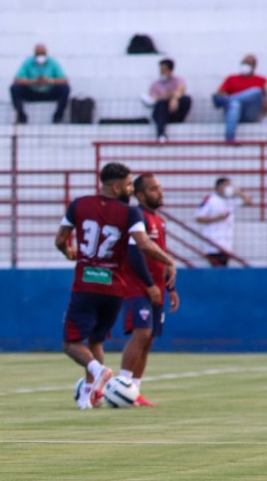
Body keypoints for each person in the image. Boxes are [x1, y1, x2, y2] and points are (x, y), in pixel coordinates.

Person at [54, 162, 176, 410]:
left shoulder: (79, 204)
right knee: (96, 341)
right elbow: (142, 244)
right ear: (117, 185)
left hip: (85, 284)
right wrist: (169, 259)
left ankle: (97, 371)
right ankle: (90, 394)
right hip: (114, 288)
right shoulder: (130, 213)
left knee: (70, 343)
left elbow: (60, 239)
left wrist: (68, 251)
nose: (131, 189)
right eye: (130, 184)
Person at [118, 174, 180, 407]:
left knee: (149, 339)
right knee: (141, 333)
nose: (160, 192)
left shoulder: (159, 221)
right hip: (138, 286)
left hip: (158, 288)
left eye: (160, 188)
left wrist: (170, 288)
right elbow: (135, 253)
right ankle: (121, 385)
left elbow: (161, 258)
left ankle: (134, 391)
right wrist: (149, 285)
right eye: (154, 189)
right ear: (140, 195)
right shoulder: (137, 218)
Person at [195, 177, 253, 267]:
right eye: (226, 185)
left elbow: (248, 202)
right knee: (217, 268)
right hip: (212, 243)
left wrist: (240, 193)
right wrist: (216, 218)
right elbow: (198, 218)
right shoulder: (210, 199)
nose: (229, 188)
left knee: (223, 268)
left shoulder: (230, 199)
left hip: (226, 243)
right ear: (218, 187)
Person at [10, 43, 70, 124]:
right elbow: (16, 79)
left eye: (42, 54)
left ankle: (58, 117)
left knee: (64, 88)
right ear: (34, 54)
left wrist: (49, 81)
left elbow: (64, 80)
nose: (40, 56)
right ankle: (21, 116)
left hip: (49, 92)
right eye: (38, 54)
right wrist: (32, 82)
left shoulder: (53, 63)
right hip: (32, 92)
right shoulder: (28, 62)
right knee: (15, 88)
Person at [212, 54, 267, 142]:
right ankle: (229, 138)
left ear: (254, 66)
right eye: (244, 62)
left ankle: (230, 99)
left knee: (256, 91)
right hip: (233, 113)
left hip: (251, 113)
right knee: (235, 104)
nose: (246, 65)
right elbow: (220, 93)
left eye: (249, 63)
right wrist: (223, 95)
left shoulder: (261, 80)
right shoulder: (231, 78)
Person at [143, 58, 191, 142]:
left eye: (164, 69)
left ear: (170, 70)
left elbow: (181, 90)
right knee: (162, 104)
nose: (162, 72)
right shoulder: (155, 84)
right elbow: (154, 98)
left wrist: (174, 99)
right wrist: (165, 98)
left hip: (175, 111)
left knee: (186, 99)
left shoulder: (178, 80)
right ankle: (161, 134)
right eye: (160, 69)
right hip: (162, 113)